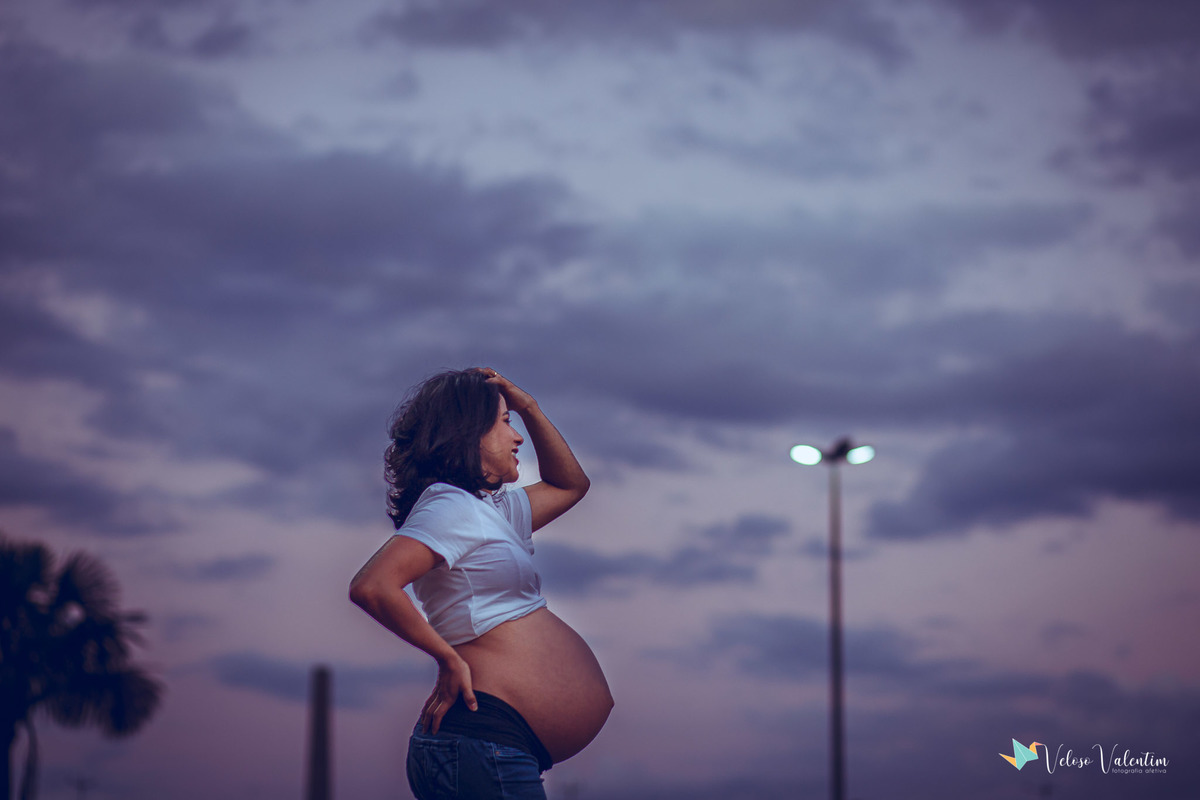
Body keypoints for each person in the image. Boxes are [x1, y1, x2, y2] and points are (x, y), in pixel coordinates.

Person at [349, 367, 613, 800]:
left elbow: (571, 485)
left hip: (492, 748)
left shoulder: (489, 509)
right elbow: (372, 586)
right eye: (506, 422)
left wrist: (528, 406)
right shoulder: (449, 505)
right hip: (482, 743)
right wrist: (446, 657)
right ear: (469, 433)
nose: (518, 437)